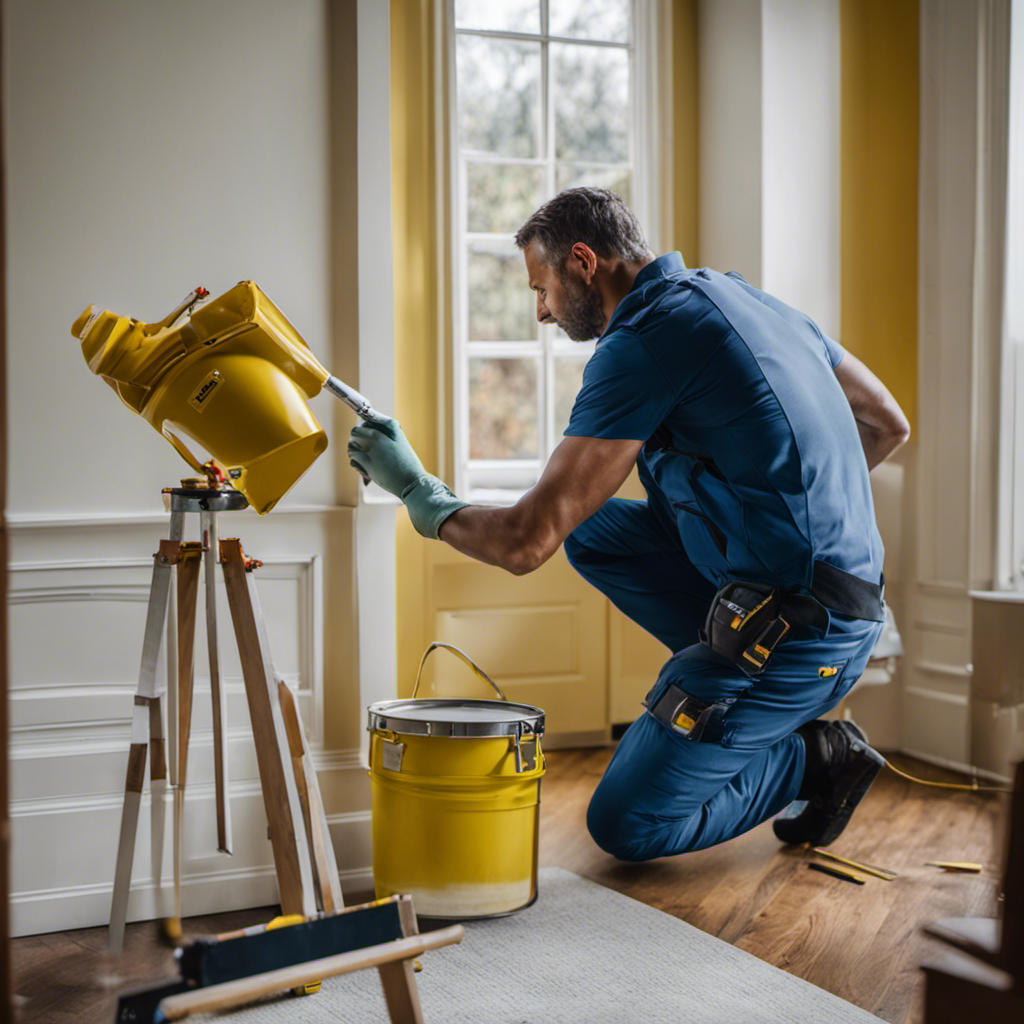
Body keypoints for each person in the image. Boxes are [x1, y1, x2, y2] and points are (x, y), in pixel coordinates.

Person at [348, 187, 910, 860]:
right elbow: (886, 424)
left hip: (803, 633)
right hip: (843, 602)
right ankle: (738, 689)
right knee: (592, 528)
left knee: (627, 825)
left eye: (543, 289)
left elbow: (527, 542)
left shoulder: (645, 339)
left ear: (583, 262)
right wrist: (791, 511)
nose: (541, 312)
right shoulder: (741, 297)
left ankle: (816, 757)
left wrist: (418, 490)